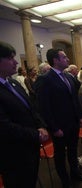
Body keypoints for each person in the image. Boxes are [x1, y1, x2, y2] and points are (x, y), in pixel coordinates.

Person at [35, 48, 82, 188]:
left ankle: (75, 173)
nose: (68, 59)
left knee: (73, 150)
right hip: (59, 126)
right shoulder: (45, 79)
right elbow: (44, 107)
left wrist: (80, 117)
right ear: (55, 60)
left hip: (73, 122)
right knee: (60, 155)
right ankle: (65, 180)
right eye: (64, 57)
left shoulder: (69, 77)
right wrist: (54, 128)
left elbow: (74, 99)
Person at [0, 41, 49, 188]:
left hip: (29, 148)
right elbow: (4, 126)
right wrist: (36, 134)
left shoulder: (13, 83)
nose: (15, 62)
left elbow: (31, 108)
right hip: (13, 153)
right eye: (10, 58)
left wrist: (41, 126)